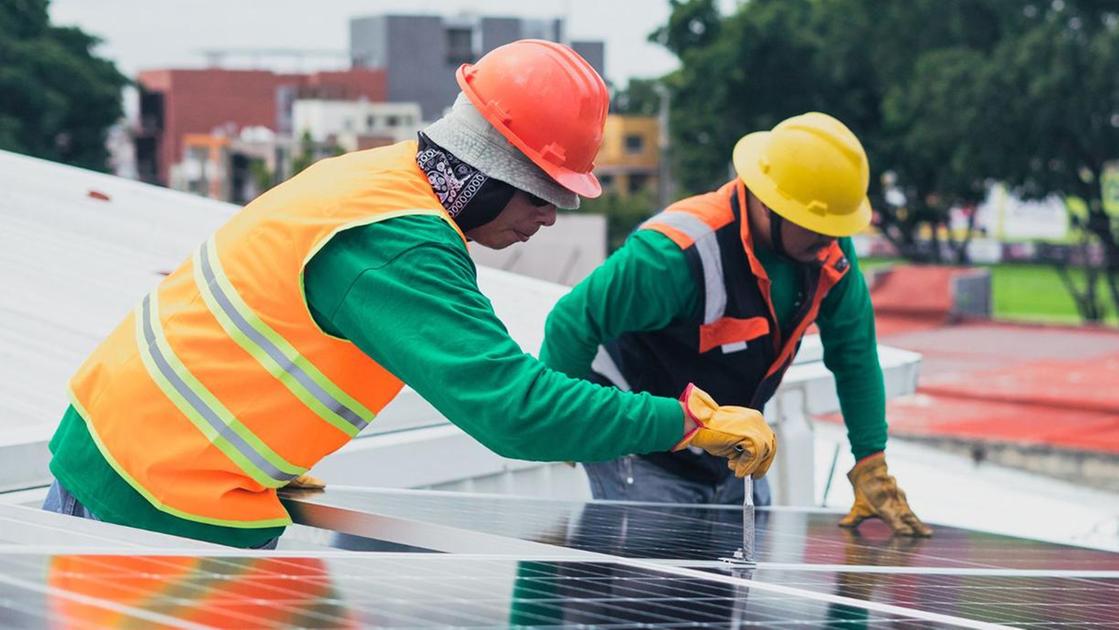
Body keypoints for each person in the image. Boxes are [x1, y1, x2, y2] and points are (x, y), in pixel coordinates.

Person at [41, 40, 776, 549]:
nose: (550, 216)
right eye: (545, 193)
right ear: (492, 167)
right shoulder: (398, 243)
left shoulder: (376, 178)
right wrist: (685, 421)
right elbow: (513, 412)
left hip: (138, 458)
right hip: (151, 496)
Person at [540, 112, 932, 536]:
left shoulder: (827, 257)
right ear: (768, 204)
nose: (831, 241)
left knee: (731, 587)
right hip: (644, 451)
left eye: (837, 228)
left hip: (732, 452)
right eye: (818, 226)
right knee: (654, 584)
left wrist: (871, 461)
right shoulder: (676, 253)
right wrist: (566, 426)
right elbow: (571, 322)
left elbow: (854, 355)